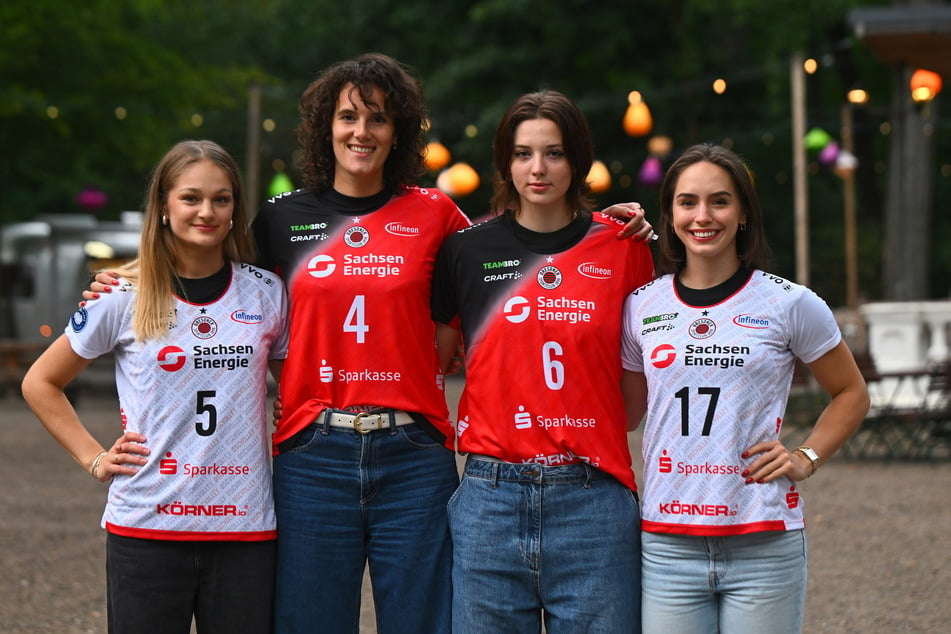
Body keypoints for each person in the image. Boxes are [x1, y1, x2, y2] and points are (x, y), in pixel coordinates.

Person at [85, 54, 652, 634]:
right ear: (325, 127)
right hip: (312, 455)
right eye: (349, 116)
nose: (362, 131)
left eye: (378, 118)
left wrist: (603, 225)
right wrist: (132, 274)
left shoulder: (437, 214)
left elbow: (519, 247)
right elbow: (220, 281)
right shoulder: (282, 219)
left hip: (414, 455)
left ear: (398, 130)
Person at [22, 139, 289, 634]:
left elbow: (295, 391)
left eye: (221, 199)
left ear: (236, 208)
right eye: (191, 198)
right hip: (148, 522)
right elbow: (40, 381)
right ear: (163, 206)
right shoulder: (122, 294)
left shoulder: (267, 292)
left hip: (244, 526)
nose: (206, 211)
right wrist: (94, 458)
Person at [620, 143, 870, 633]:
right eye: (688, 202)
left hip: (763, 541)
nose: (703, 216)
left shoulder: (788, 302)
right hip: (668, 542)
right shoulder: (640, 306)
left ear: (743, 215)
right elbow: (624, 414)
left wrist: (807, 456)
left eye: (720, 201)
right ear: (669, 216)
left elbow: (852, 393)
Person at [431, 90, 655, 633]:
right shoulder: (466, 250)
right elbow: (429, 366)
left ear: (577, 159)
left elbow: (637, 388)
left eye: (554, 153)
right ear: (505, 161)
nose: (538, 168)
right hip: (489, 497)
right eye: (523, 153)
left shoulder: (623, 245)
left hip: (593, 498)